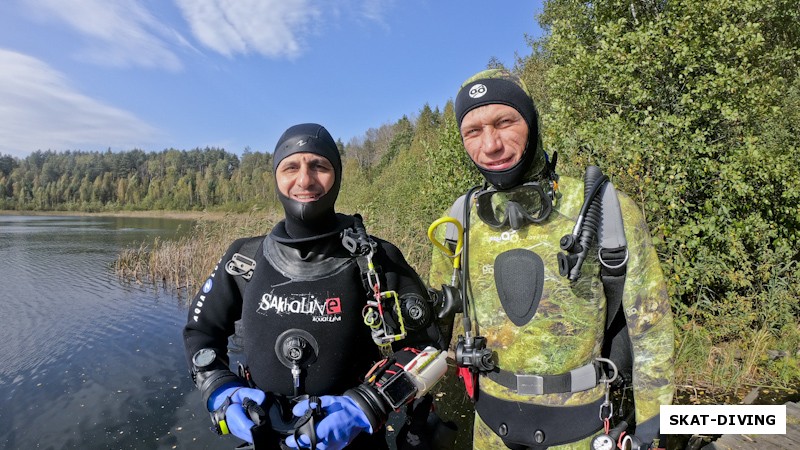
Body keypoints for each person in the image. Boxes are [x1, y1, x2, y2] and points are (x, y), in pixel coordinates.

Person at [428, 69, 674, 450]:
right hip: (490, 430)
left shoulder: (606, 210)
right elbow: (432, 334)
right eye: (472, 131)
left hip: (585, 430)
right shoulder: (456, 221)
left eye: (505, 122)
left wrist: (654, 429)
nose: (490, 145)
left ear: (532, 122)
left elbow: (652, 332)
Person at [183, 123, 451, 450]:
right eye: (291, 167)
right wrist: (220, 388)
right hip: (263, 437)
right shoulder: (245, 258)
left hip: (355, 442)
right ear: (276, 176)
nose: (305, 180)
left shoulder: (375, 260)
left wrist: (370, 403)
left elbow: (428, 350)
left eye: (319, 166)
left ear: (336, 175)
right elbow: (200, 332)